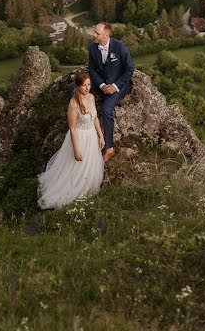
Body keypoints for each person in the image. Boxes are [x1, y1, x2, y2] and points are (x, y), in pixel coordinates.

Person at [37, 71, 105, 209]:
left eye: (89, 84)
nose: (88, 88)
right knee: (74, 168)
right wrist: (76, 150)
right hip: (79, 139)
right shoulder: (73, 104)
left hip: (91, 136)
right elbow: (72, 129)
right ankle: (70, 192)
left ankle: (86, 189)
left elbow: (95, 118)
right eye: (85, 85)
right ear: (78, 86)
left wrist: (101, 136)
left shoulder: (91, 98)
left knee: (89, 166)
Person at [88, 22, 134, 162]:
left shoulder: (120, 47)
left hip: (118, 86)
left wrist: (114, 86)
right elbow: (92, 70)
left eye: (97, 33)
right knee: (73, 88)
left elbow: (130, 68)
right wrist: (101, 85)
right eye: (94, 32)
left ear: (107, 35)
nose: (94, 35)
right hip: (101, 83)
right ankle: (83, 122)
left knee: (107, 109)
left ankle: (109, 149)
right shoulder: (92, 47)